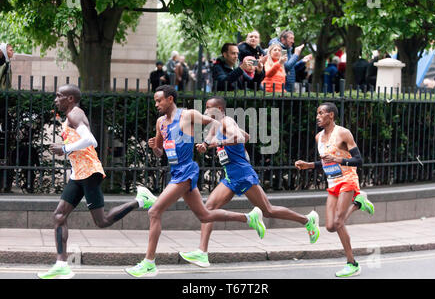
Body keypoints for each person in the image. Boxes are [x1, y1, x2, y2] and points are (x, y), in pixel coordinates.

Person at [125, 85, 266, 278]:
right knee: (205, 216)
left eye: (159, 100)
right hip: (176, 172)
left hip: (187, 171)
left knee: (154, 211)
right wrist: (154, 148)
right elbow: (160, 152)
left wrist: (210, 142)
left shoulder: (187, 115)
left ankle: (149, 263)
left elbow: (217, 123)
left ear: (170, 99)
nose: (156, 104)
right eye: (155, 101)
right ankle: (249, 218)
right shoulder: (160, 123)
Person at [178, 96, 320, 268]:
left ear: (220, 110)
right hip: (231, 177)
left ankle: (307, 220)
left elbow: (241, 137)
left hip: (243, 175)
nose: (206, 111)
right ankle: (202, 253)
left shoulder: (227, 121)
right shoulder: (216, 125)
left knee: (268, 211)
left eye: (210, 108)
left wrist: (219, 143)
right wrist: (205, 145)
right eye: (206, 107)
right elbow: (245, 134)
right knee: (208, 209)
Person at [37, 84, 157, 279]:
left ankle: (141, 200)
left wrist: (64, 149)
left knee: (102, 221)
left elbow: (91, 140)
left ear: (70, 99)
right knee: (59, 216)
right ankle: (61, 264)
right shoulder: (72, 115)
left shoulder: (74, 114)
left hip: (89, 172)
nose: (55, 99)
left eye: (59, 96)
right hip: (79, 174)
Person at [295, 102, 374, 278]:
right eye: (317, 113)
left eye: (321, 113)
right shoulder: (318, 138)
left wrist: (339, 160)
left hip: (347, 179)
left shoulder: (343, 133)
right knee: (330, 226)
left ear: (331, 115)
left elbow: (359, 160)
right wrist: (308, 165)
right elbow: (325, 162)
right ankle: (358, 204)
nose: (317, 117)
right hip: (332, 183)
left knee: (338, 223)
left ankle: (352, 263)